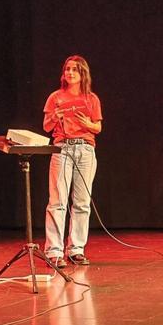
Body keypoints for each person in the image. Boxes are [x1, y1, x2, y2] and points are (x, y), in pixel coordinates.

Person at [42, 55, 103, 269]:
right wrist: (55, 116)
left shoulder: (91, 98)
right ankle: (54, 251)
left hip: (85, 149)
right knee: (57, 202)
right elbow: (46, 127)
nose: (69, 73)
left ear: (82, 74)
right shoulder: (55, 97)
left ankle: (76, 249)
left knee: (82, 202)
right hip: (62, 148)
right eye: (67, 69)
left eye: (74, 70)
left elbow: (98, 128)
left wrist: (87, 123)